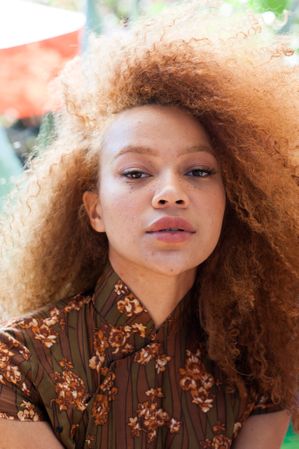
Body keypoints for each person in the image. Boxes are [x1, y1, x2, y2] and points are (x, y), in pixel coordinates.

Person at [0, 3, 298, 449]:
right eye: (136, 173)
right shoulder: (18, 361)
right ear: (94, 210)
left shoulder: (257, 362)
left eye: (198, 171)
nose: (170, 193)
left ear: (232, 202)